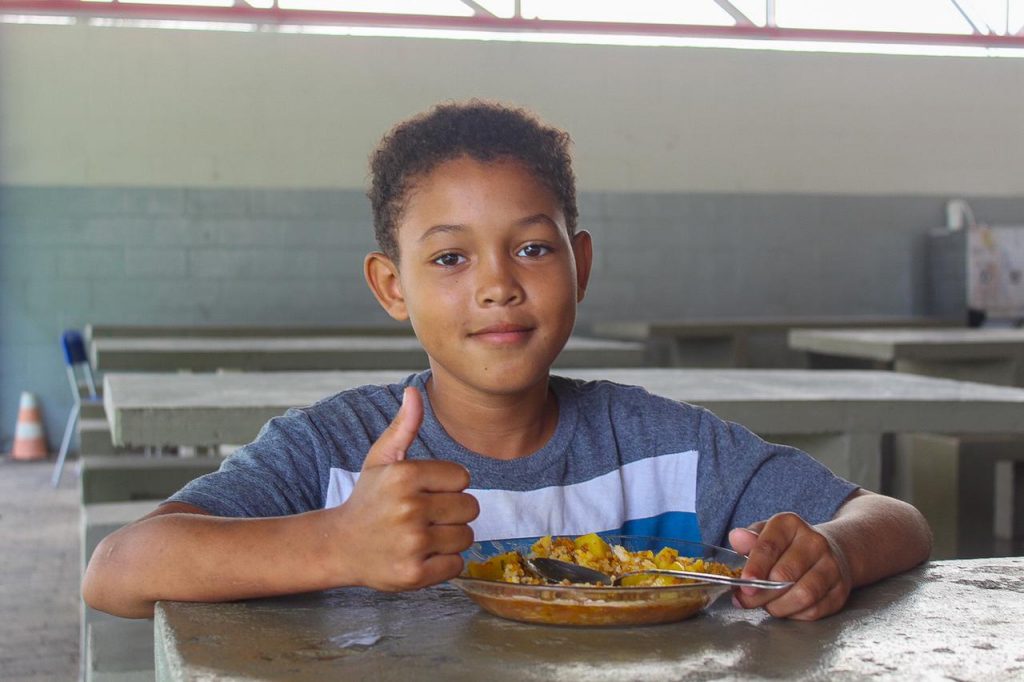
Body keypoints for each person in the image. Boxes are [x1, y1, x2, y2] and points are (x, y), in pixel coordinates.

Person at [82, 100, 931, 621]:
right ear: (391, 286)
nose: (497, 286)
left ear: (581, 266)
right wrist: (336, 544)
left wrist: (834, 555)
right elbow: (118, 571)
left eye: (532, 248)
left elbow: (892, 518)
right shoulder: (338, 453)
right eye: (449, 259)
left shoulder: (664, 448)